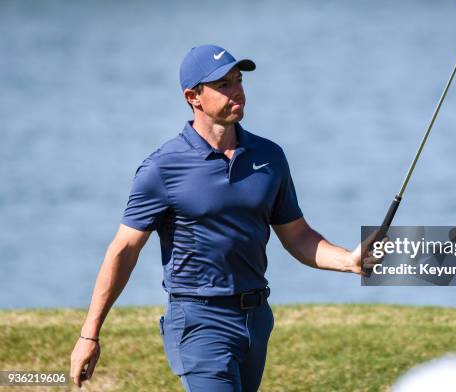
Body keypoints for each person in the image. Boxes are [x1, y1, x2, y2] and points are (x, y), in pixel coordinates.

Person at [70, 44, 380, 391]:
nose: (238, 91)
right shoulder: (162, 168)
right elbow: (123, 251)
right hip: (199, 322)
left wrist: (349, 261)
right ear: (193, 97)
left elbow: (298, 236)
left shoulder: (269, 157)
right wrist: (89, 335)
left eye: (238, 80)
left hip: (256, 318)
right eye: (224, 85)